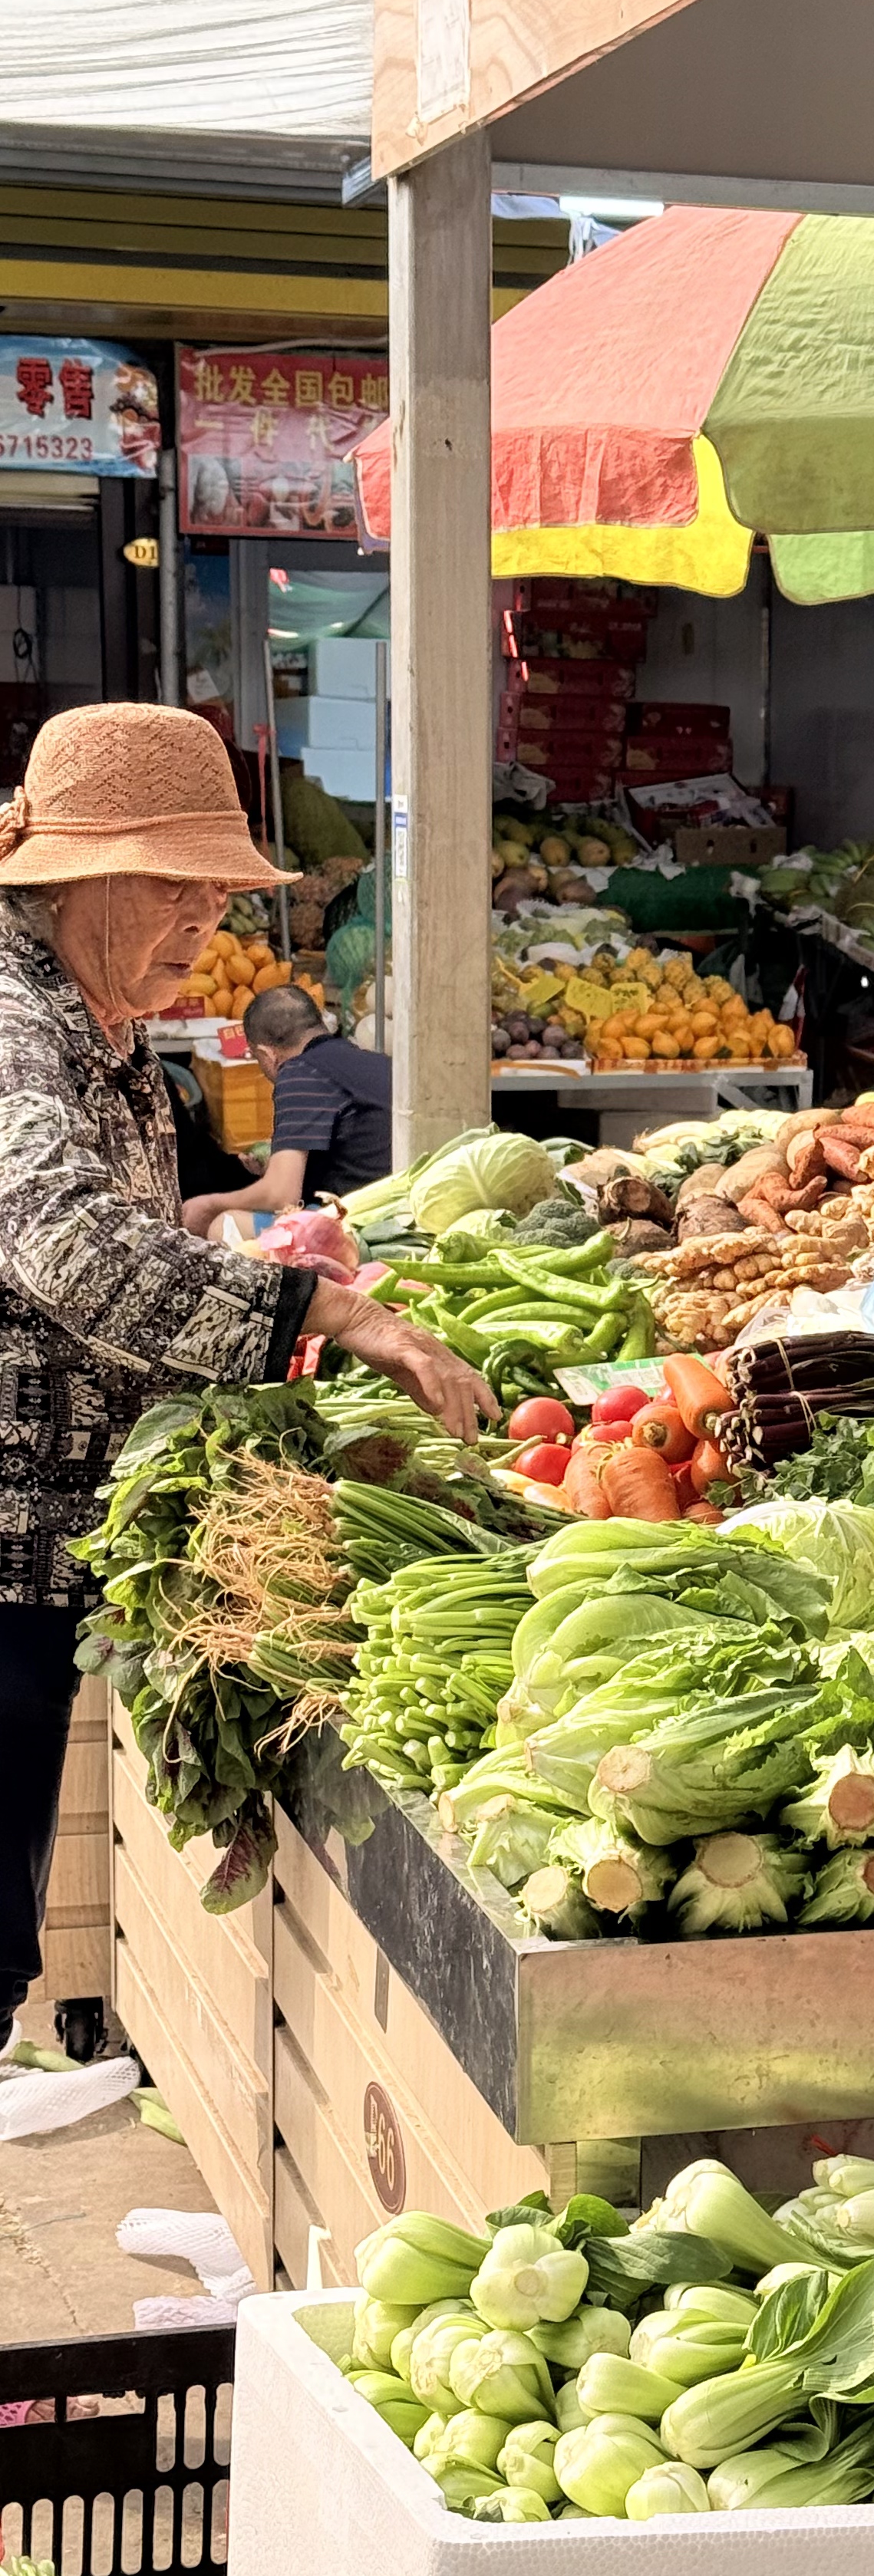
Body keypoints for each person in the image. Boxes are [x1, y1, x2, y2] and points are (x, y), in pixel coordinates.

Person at [0, 703, 495, 2047]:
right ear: (71, 876)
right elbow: (66, 1244)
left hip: (32, 1551)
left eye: (219, 887)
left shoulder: (95, 1029)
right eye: (178, 881)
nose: (208, 917)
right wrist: (331, 1312)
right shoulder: (10, 1024)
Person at [181, 983, 391, 1236]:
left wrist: (210, 1204)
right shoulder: (373, 1061)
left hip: (362, 1226)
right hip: (396, 1212)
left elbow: (282, 1195)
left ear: (266, 1054)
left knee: (225, 1225)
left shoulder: (299, 1071)